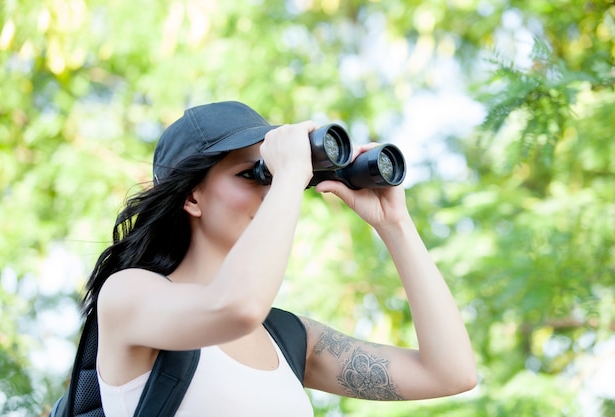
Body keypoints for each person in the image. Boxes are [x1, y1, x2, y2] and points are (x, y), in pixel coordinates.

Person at [83, 100, 477, 416]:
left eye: (272, 174)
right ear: (191, 196)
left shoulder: (289, 339)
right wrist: (288, 174)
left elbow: (450, 373)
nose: (271, 189)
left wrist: (396, 224)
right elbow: (236, 308)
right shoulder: (127, 294)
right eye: (253, 173)